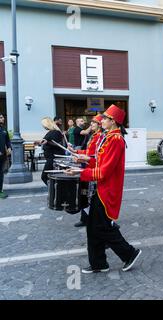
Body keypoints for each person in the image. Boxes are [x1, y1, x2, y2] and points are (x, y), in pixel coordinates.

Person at [67, 104, 141, 273]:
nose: (102, 121)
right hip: (101, 188)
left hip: (107, 190)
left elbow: (105, 171)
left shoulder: (116, 140)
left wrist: (81, 172)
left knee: (101, 227)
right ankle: (98, 263)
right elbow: (99, 162)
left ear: (113, 121)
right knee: (93, 227)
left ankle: (129, 253)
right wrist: (84, 159)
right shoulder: (109, 137)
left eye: (105, 119)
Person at [69, 114, 104, 228]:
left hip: (93, 169)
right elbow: (88, 152)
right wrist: (76, 151)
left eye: (94, 123)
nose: (91, 124)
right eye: (91, 122)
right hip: (88, 166)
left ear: (99, 125)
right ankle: (85, 218)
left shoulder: (100, 137)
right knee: (86, 195)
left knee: (91, 196)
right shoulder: (94, 136)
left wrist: (84, 158)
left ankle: (106, 223)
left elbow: (97, 156)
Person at [37, 117, 66, 185]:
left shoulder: (55, 132)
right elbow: (47, 141)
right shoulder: (52, 132)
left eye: (44, 125)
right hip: (51, 157)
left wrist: (47, 142)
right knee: (49, 177)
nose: (43, 126)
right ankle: (53, 192)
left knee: (44, 176)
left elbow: (58, 144)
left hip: (53, 158)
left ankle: (54, 191)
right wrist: (40, 142)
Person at [0, 113, 11, 199]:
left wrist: (9, 147)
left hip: (3, 155)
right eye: (0, 117)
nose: (3, 118)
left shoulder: (3, 129)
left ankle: (0, 190)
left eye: (2, 117)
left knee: (1, 173)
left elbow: (7, 140)